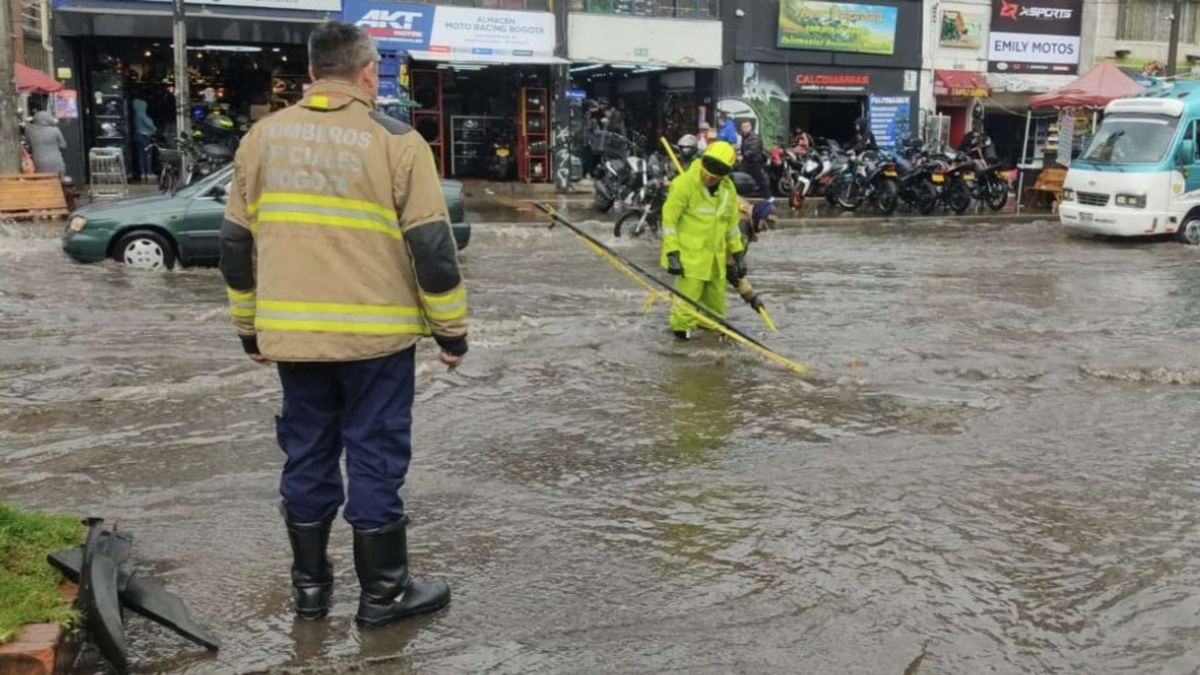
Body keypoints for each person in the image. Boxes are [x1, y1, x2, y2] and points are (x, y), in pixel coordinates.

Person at [218, 21, 467, 628]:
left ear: (310, 74)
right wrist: (451, 333)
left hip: (295, 342)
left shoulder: (262, 138)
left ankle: (310, 593)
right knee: (374, 458)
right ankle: (382, 596)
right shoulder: (398, 142)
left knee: (307, 456)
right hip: (375, 342)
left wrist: (250, 328)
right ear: (365, 73)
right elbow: (432, 249)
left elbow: (234, 244)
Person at [660, 141, 744, 341]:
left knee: (715, 307)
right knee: (685, 306)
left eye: (714, 177)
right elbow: (669, 220)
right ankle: (681, 345)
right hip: (689, 259)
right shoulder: (684, 184)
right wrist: (672, 253)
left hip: (716, 259)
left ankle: (711, 340)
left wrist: (738, 253)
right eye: (707, 173)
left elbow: (731, 224)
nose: (708, 178)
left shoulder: (728, 189)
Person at [728, 200, 776, 314]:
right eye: (764, 225)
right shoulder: (742, 230)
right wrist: (752, 298)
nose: (765, 230)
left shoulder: (741, 205)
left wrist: (752, 298)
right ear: (759, 216)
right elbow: (731, 269)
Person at [24, 110, 67, 177]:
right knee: (56, 183)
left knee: (43, 182)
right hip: (56, 163)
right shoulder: (55, 130)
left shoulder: (30, 131)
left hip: (39, 164)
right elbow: (63, 145)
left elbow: (28, 143)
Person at [739, 119, 772, 202]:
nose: (745, 128)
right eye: (743, 127)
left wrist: (743, 156)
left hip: (754, 162)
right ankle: (742, 196)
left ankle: (768, 197)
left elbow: (753, 150)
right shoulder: (745, 137)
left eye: (746, 126)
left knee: (760, 179)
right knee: (741, 178)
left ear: (750, 127)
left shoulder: (754, 137)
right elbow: (744, 148)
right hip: (747, 162)